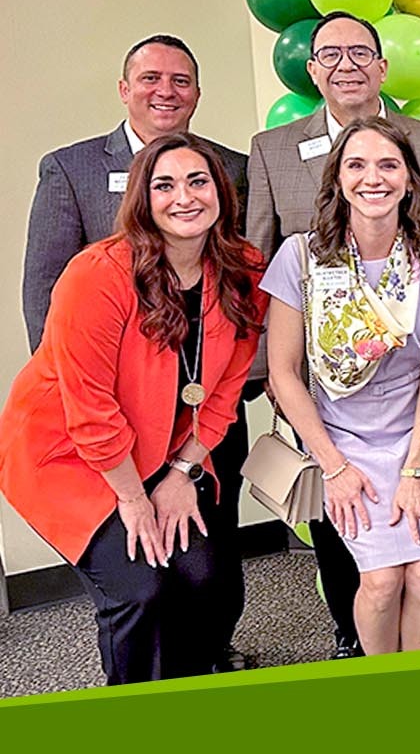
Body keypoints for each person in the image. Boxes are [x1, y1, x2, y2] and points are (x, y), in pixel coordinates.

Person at [21, 35, 253, 672]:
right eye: (166, 186)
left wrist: (180, 469)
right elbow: (49, 308)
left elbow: (229, 371)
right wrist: (132, 492)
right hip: (77, 440)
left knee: (205, 574)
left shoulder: (238, 262)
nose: (185, 197)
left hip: (180, 431)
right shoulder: (94, 255)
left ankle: (194, 683)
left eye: (198, 183)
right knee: (141, 586)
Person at [246, 10, 420, 659]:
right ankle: (358, 655)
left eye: (360, 52)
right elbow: (258, 256)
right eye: (330, 54)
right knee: (366, 571)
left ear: (382, 65)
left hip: (416, 417)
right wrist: (273, 389)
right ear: (312, 69)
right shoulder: (274, 156)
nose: (374, 178)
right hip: (330, 410)